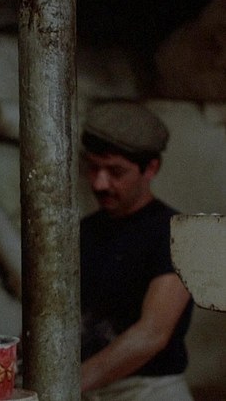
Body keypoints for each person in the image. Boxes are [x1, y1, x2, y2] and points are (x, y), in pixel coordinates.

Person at [79, 102, 194, 400]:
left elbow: (151, 334)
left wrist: (66, 384)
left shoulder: (179, 235)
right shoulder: (84, 231)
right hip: (90, 390)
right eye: (93, 167)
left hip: (149, 393)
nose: (100, 183)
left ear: (151, 168)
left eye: (115, 172)